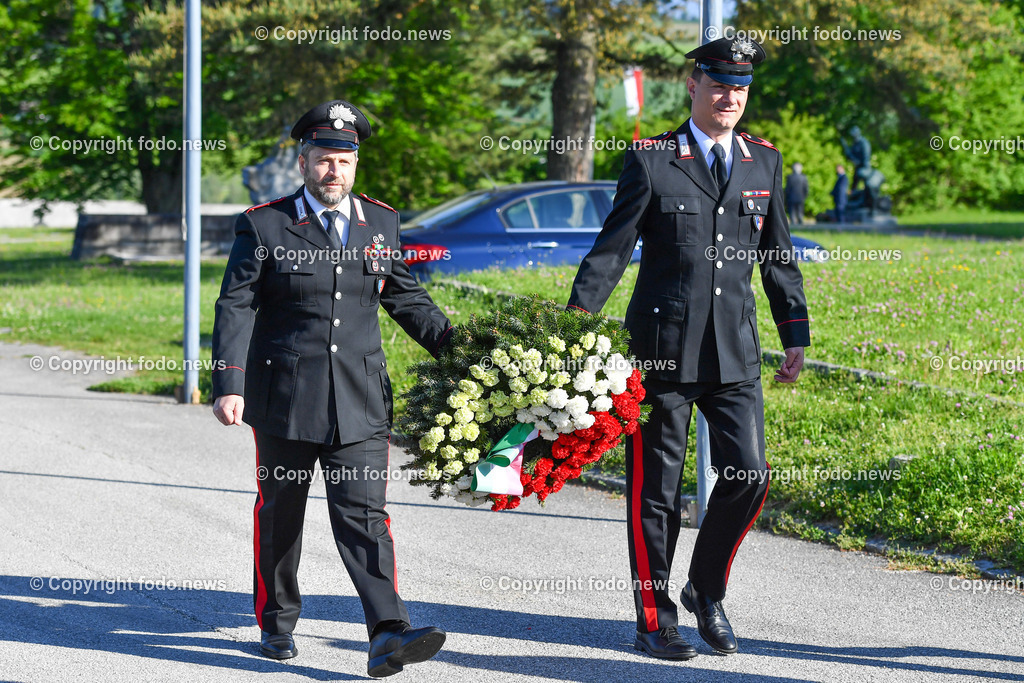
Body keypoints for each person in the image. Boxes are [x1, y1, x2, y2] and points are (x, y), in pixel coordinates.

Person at [566, 38, 810, 660]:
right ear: (693, 85)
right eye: (720, 85)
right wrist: (573, 325)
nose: (731, 97)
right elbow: (612, 249)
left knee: (750, 476)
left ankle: (706, 588)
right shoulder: (652, 160)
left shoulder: (764, 162)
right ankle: (654, 619)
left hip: (735, 352)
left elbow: (777, 253)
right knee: (657, 492)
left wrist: (795, 332)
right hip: (662, 354)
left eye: (741, 88)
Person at [211, 99, 453, 677]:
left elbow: (406, 299)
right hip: (284, 400)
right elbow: (235, 303)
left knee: (365, 517)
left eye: (344, 161)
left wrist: (465, 356)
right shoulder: (266, 224)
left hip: (361, 401)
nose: (334, 172)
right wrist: (229, 381)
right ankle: (276, 621)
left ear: (355, 164)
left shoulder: (382, 223)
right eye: (324, 160)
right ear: (303, 162)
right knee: (282, 515)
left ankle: (388, 631)